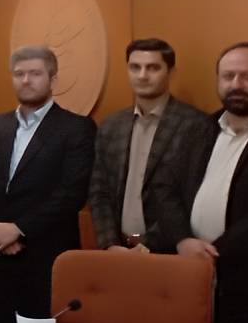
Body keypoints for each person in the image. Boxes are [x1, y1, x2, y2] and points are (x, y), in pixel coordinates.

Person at [0, 46, 95, 323]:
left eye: (35, 73)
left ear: (53, 79)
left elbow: (72, 193)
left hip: (46, 255)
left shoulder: (76, 128)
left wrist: (19, 229)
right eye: (19, 74)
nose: (26, 80)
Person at [149, 42, 248, 323]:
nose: (236, 84)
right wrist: (183, 240)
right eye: (228, 76)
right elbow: (164, 187)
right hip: (189, 273)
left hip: (247, 282)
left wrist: (215, 252)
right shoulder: (199, 129)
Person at [88, 38, 211, 250]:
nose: (142, 75)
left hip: (169, 249)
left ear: (170, 72)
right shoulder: (111, 125)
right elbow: (99, 190)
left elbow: (191, 197)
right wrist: (110, 244)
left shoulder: (196, 125)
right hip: (117, 249)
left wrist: (146, 245)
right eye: (135, 67)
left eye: (153, 68)